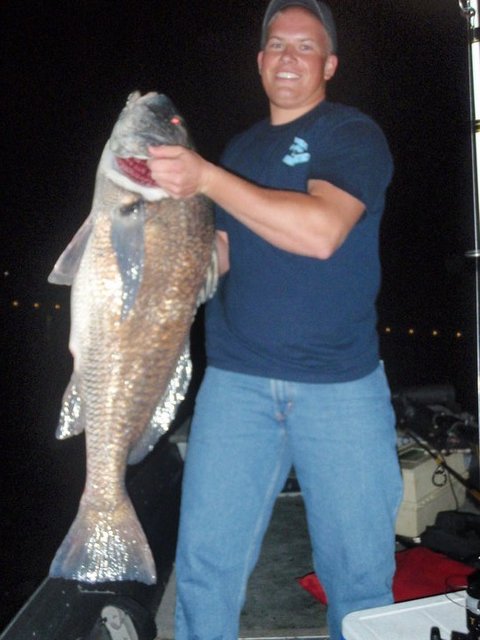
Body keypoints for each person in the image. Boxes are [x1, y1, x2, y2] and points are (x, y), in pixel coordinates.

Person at [147, 1, 403, 638]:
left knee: (360, 576)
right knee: (205, 568)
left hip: (341, 389)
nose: (289, 57)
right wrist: (153, 232)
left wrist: (204, 176)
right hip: (236, 387)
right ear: (260, 62)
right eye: (277, 46)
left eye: (306, 47)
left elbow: (321, 232)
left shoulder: (352, 135)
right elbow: (222, 257)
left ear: (330, 64)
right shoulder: (240, 149)